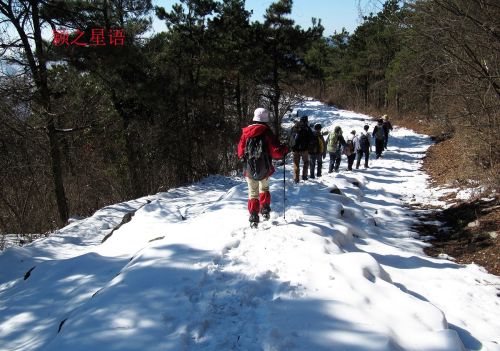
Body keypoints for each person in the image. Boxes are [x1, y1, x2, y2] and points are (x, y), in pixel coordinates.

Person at [237, 108, 289, 227]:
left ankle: (254, 216)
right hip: (265, 168)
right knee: (264, 189)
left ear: (254, 118)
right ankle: (265, 210)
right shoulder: (267, 132)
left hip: (249, 168)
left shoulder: (246, 132)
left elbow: (240, 151)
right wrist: (284, 149)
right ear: (266, 119)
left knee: (252, 193)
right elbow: (276, 152)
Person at [290, 115, 314, 183]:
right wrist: (310, 146)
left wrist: (292, 147)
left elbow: (290, 137)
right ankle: (304, 176)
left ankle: (296, 179)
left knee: (296, 163)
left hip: (295, 149)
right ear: (306, 120)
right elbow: (312, 139)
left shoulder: (294, 127)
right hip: (304, 149)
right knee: (306, 162)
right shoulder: (307, 128)